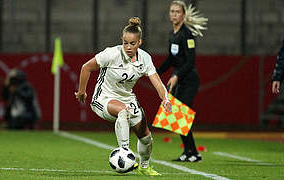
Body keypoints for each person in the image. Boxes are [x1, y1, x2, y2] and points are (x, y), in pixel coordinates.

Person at [75, 17, 172, 176]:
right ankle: (125, 152)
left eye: (132, 43)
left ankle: (145, 166)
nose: (128, 46)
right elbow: (86, 67)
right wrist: (82, 91)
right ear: (122, 40)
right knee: (123, 110)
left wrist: (165, 99)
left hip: (128, 99)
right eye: (125, 42)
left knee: (146, 138)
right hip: (103, 98)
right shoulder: (111, 54)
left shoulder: (145, 59)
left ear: (139, 42)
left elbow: (157, 82)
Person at [156, 0, 208, 162]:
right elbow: (171, 59)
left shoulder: (187, 34)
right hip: (179, 80)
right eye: (172, 11)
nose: (174, 14)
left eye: (177, 12)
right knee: (176, 117)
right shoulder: (173, 35)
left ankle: (194, 153)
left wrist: (176, 75)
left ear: (183, 15)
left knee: (179, 115)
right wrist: (155, 72)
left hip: (190, 80)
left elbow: (190, 61)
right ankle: (189, 152)